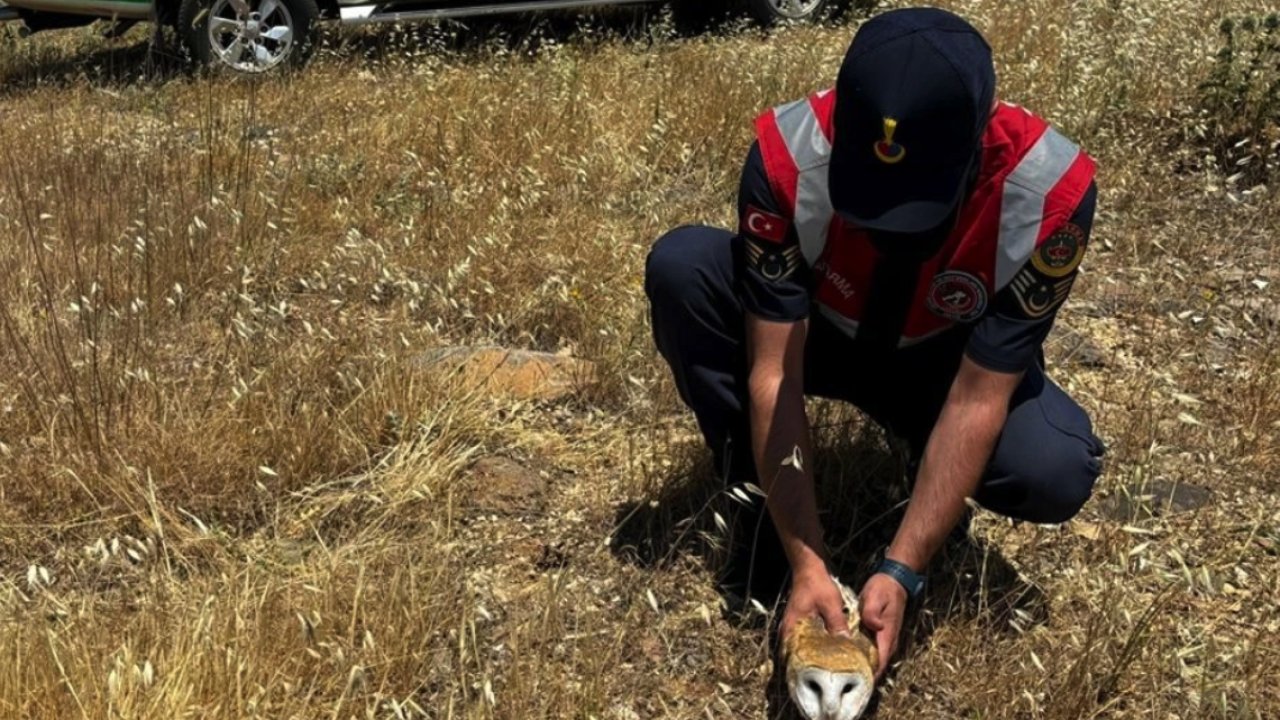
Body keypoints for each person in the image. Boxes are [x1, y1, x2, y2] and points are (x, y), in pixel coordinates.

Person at [643, 7, 1105, 678]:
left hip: (941, 362)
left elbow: (980, 397)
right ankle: (759, 506)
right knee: (683, 267)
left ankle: (927, 501)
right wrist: (804, 557)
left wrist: (903, 567)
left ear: (979, 141)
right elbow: (776, 373)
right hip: (819, 330)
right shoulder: (788, 156)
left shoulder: (1051, 198)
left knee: (1055, 468)